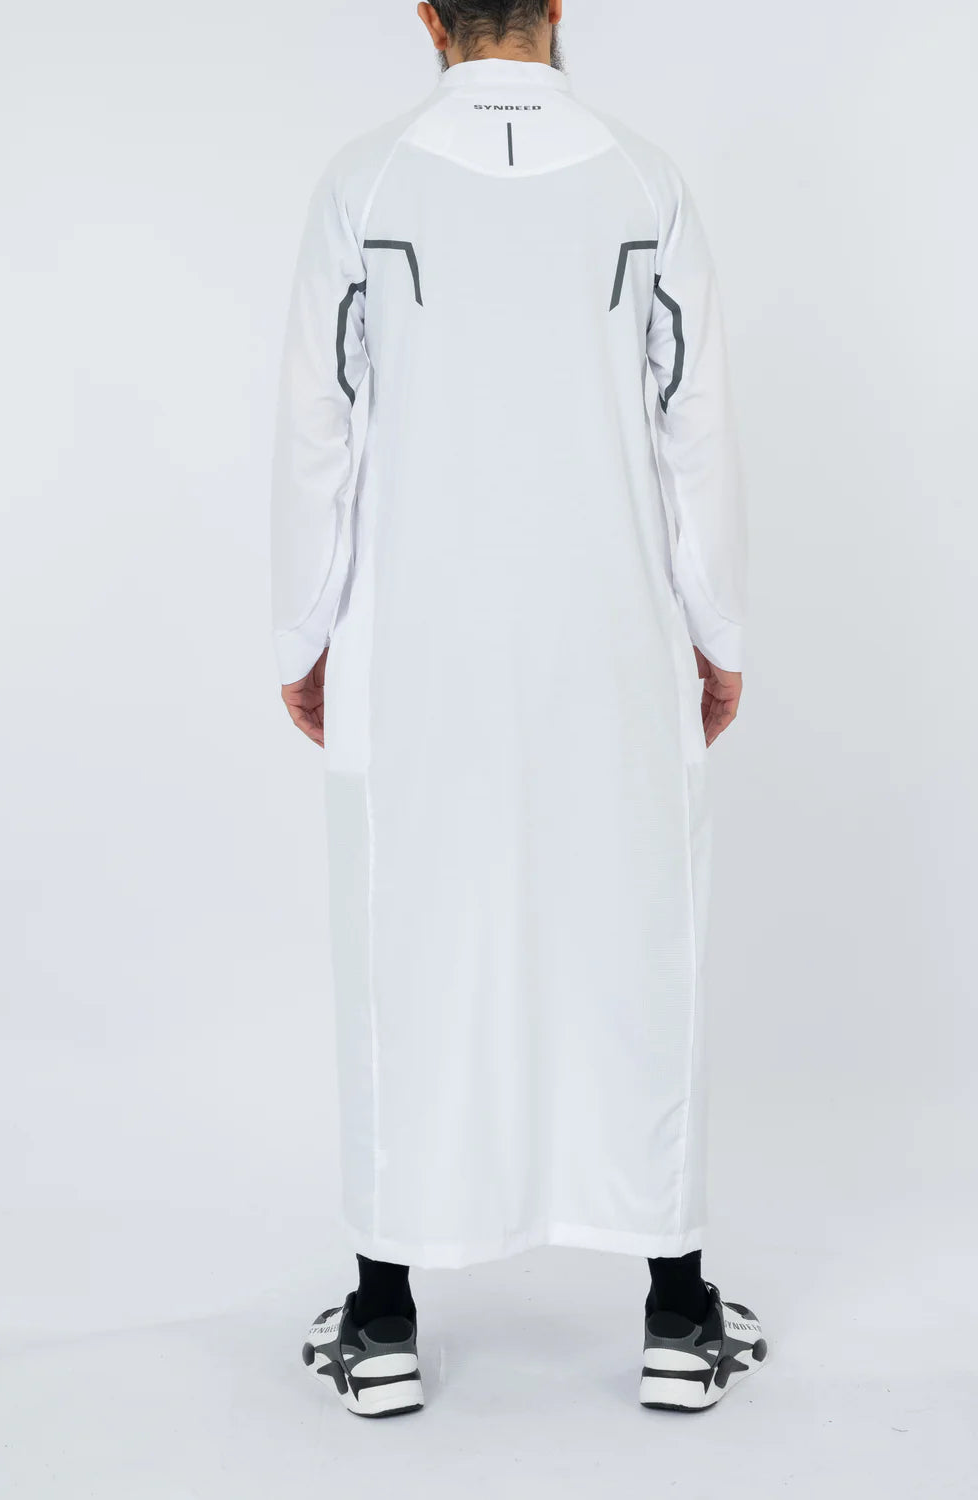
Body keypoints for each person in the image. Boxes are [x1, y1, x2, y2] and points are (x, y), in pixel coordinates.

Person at [273, 0, 765, 1418]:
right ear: (558, 8)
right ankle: (677, 1311)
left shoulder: (363, 186)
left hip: (414, 645)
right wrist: (718, 634)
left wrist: (304, 631)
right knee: (641, 940)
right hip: (611, 636)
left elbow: (317, 435)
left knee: (405, 945)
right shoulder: (645, 185)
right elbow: (696, 431)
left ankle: (382, 1320)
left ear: (427, 16)